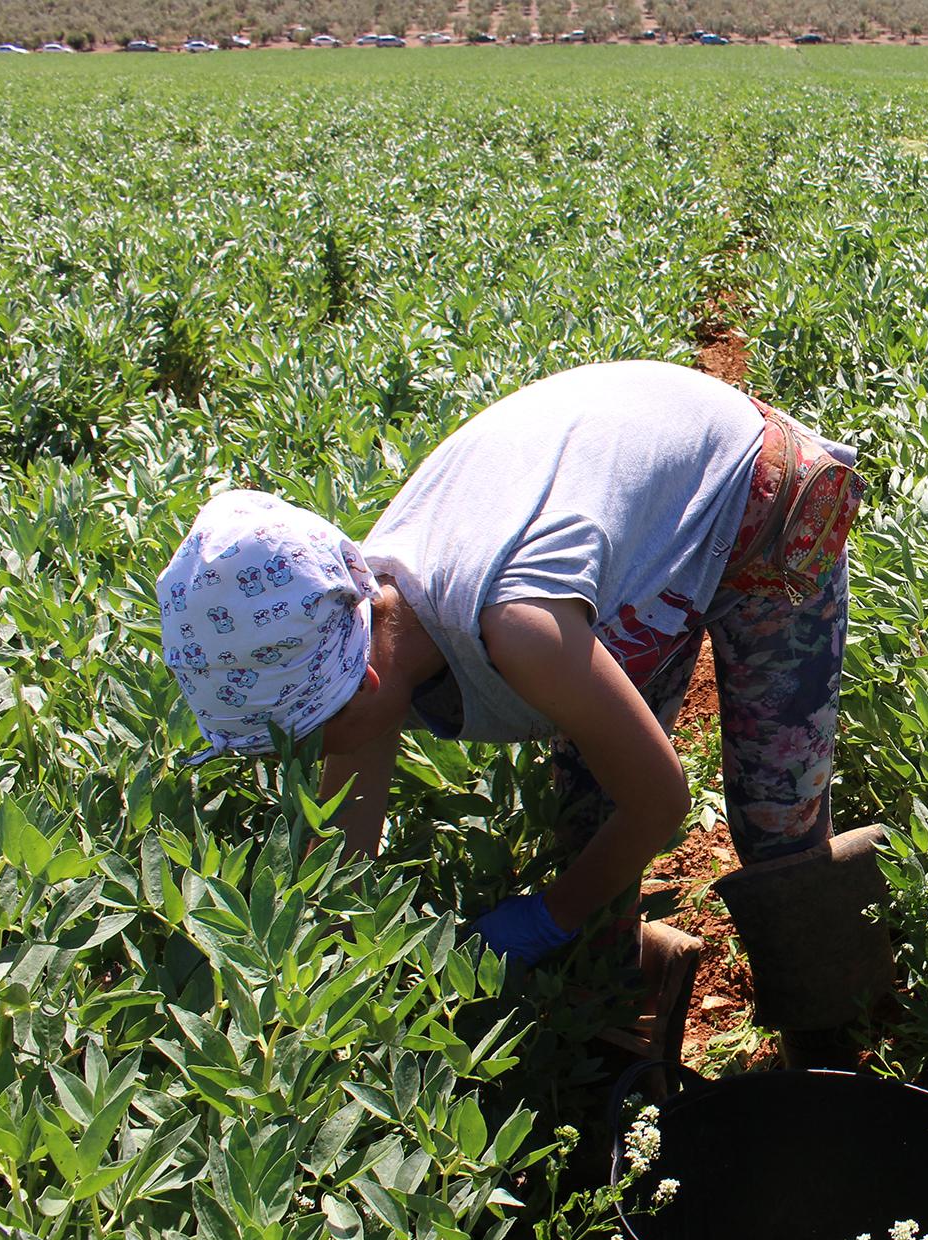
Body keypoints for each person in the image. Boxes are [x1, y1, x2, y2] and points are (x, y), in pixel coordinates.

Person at [156, 360, 889, 1064]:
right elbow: (342, 850)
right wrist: (314, 991)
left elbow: (662, 800)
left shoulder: (518, 626)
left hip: (755, 495)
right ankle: (622, 1002)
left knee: (775, 817)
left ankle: (827, 1040)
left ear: (365, 682)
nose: (301, 758)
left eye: (298, 739)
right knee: (589, 811)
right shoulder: (362, 615)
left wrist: (547, 917)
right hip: (623, 536)